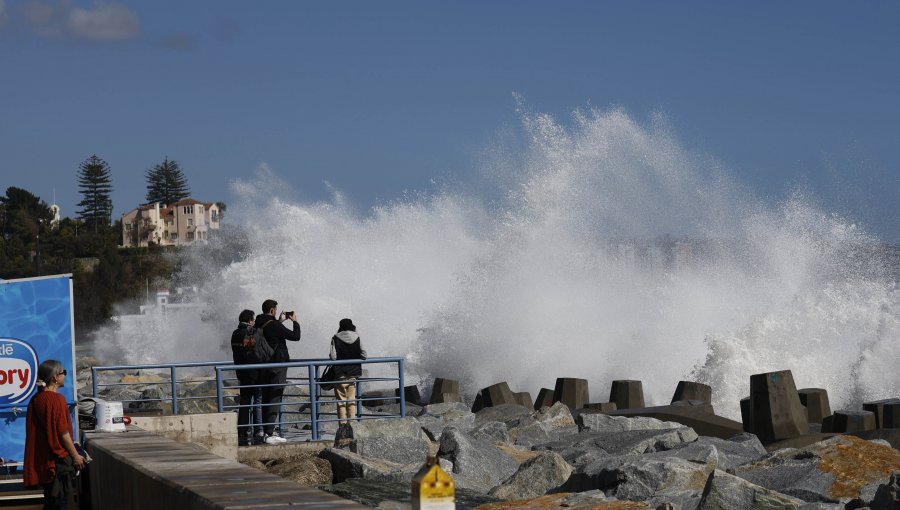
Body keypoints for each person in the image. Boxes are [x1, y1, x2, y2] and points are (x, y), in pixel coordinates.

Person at [23, 359, 86, 510]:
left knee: (51, 500)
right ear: (55, 378)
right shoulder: (56, 399)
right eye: (63, 372)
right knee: (60, 501)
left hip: (44, 461)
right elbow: (62, 432)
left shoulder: (36, 399)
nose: (65, 375)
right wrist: (75, 456)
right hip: (57, 461)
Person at [255, 299, 301, 444]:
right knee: (275, 397)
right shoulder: (273, 325)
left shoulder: (258, 323)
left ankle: (264, 431)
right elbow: (296, 336)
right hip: (277, 365)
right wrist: (295, 322)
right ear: (273, 310)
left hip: (263, 365)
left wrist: (279, 321)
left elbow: (271, 335)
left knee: (266, 397)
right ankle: (270, 433)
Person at [230, 309, 263, 445]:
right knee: (257, 401)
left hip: (241, 372)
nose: (254, 322)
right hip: (252, 373)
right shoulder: (246, 333)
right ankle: (258, 430)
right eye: (253, 320)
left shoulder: (235, 333)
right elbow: (251, 352)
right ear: (250, 321)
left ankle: (242, 430)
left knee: (244, 401)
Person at [330, 318, 367, 426]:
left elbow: (333, 357)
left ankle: (342, 426)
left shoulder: (335, 337)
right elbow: (364, 355)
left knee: (341, 401)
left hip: (340, 374)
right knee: (351, 400)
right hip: (353, 373)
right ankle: (352, 425)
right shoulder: (357, 337)